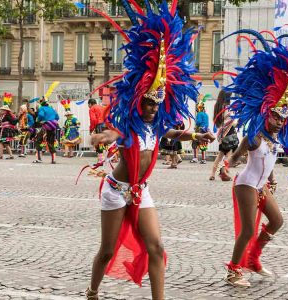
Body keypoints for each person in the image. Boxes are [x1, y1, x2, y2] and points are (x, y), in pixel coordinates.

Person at [81, 2, 215, 299]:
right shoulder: (128, 126)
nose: (153, 108)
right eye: (149, 103)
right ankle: (92, 291)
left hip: (141, 190)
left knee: (156, 246)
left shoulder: (156, 125)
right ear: (138, 101)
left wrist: (197, 134)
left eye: (157, 103)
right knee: (107, 250)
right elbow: (113, 133)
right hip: (116, 190)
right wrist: (101, 136)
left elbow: (171, 132)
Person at [217, 28, 288, 287]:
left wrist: (272, 179)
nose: (279, 122)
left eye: (283, 118)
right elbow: (238, 156)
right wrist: (225, 166)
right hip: (245, 185)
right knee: (247, 230)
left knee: (277, 221)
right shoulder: (254, 135)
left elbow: (269, 162)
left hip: (261, 185)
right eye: (276, 116)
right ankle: (233, 270)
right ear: (267, 112)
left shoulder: (275, 138)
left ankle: (253, 258)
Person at [210, 90, 239, 181]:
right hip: (229, 132)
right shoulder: (227, 108)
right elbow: (232, 122)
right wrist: (238, 121)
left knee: (220, 155)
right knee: (229, 155)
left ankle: (212, 174)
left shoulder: (217, 106)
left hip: (222, 133)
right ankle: (223, 171)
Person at [33, 97, 59, 164]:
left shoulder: (42, 108)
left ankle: (39, 158)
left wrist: (38, 120)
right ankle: (53, 159)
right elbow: (57, 117)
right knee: (51, 142)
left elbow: (41, 115)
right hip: (52, 127)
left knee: (37, 140)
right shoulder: (52, 109)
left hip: (46, 126)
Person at [191, 95, 210, 164]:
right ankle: (203, 159)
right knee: (203, 144)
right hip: (206, 130)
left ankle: (195, 158)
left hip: (199, 130)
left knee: (195, 143)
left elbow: (198, 122)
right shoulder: (206, 114)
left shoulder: (199, 114)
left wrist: (196, 123)